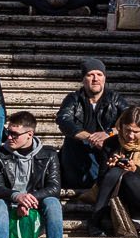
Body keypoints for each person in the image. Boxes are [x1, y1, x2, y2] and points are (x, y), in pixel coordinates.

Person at [0, 110, 63, 238]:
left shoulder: (49, 154)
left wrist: (29, 199)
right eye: (8, 132)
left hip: (35, 208)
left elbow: (54, 187)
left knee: (53, 202)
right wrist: (17, 197)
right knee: (0, 203)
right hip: (8, 206)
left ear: (30, 134)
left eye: (15, 134)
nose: (9, 137)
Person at [87, 106, 140, 238]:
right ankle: (95, 220)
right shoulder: (111, 143)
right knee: (114, 172)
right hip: (114, 198)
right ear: (121, 126)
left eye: (136, 132)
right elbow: (100, 181)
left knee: (130, 176)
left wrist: (136, 170)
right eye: (127, 130)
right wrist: (111, 166)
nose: (130, 136)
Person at [53, 57, 126, 192]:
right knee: (72, 140)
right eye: (90, 74)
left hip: (106, 152)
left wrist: (107, 133)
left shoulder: (115, 99)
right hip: (79, 154)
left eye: (99, 74)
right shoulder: (73, 99)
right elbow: (63, 120)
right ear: (83, 79)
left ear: (104, 78)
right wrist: (90, 138)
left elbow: (132, 121)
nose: (95, 79)